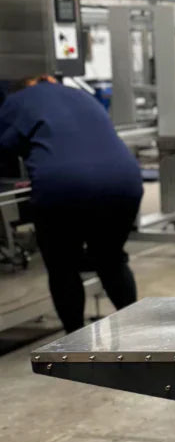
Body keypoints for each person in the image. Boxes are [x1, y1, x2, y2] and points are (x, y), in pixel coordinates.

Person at [0, 76, 143, 333]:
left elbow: (4, 147)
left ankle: (74, 341)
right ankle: (136, 334)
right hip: (124, 180)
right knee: (110, 260)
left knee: (63, 265)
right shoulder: (81, 95)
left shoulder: (17, 101)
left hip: (64, 187)